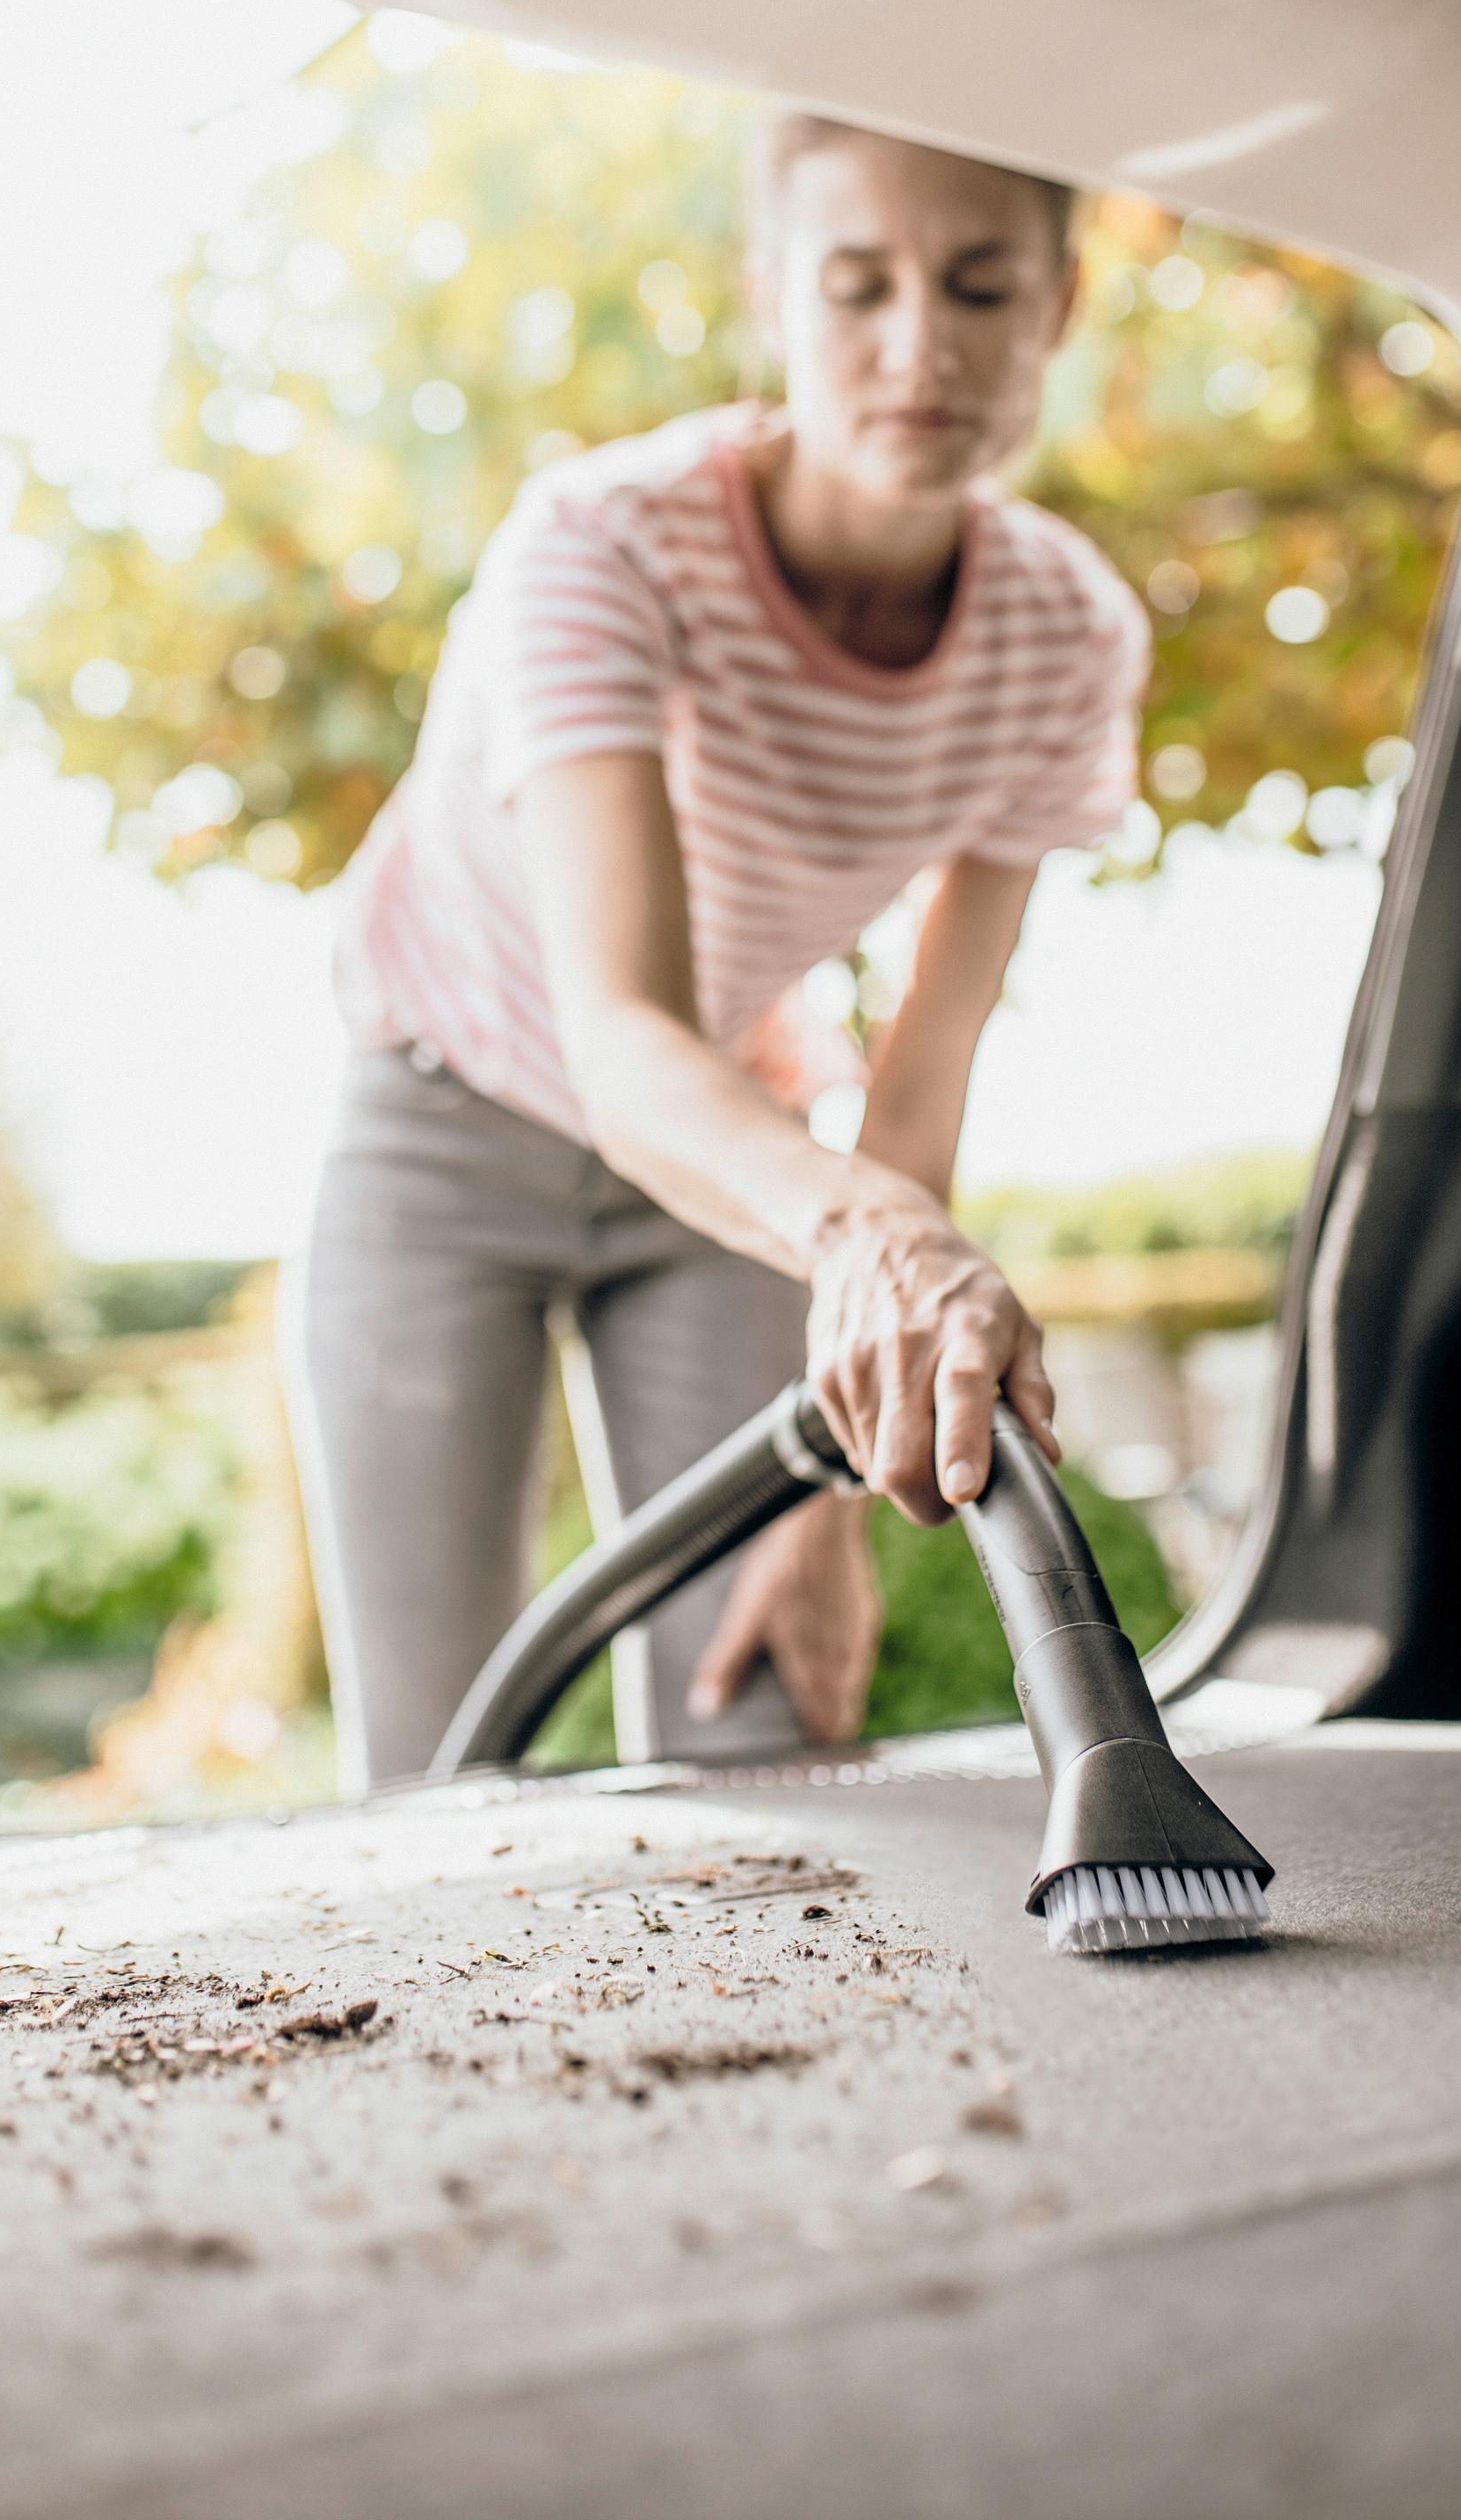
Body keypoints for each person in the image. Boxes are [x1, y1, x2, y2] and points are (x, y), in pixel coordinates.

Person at [302, 112, 1149, 1783]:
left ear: (1055, 301)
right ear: (772, 295)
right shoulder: (599, 545)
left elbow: (928, 1064)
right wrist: (871, 1245)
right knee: (427, 1762)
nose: (921, 348)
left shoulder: (1064, 631)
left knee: (751, 1717)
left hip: (732, 1169)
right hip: (449, 1110)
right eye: (858, 289)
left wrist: (843, 1457)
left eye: (980, 287)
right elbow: (617, 1033)